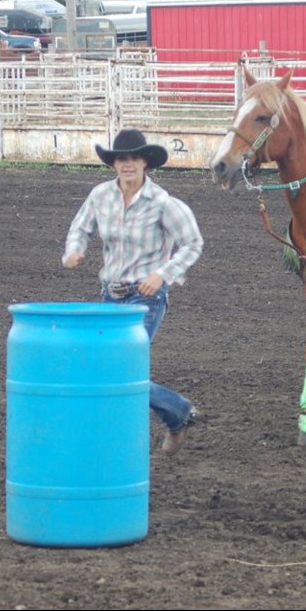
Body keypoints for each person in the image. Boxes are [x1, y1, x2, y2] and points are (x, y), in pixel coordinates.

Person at [62, 129, 204, 455]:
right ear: (114, 164)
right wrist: (74, 251)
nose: (127, 164)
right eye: (121, 159)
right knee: (111, 368)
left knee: (120, 366)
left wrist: (162, 274)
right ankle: (176, 413)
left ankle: (169, 415)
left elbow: (193, 242)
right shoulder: (100, 196)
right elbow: (80, 227)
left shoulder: (163, 204)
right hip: (111, 295)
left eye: (133, 158)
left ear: (145, 163)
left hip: (146, 298)